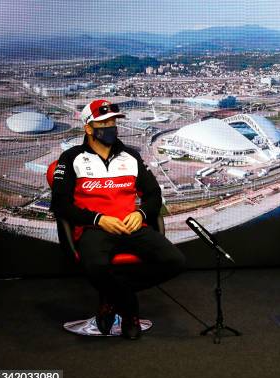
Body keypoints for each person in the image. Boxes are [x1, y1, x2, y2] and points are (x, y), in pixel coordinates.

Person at [51, 99, 186, 340]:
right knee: (95, 266)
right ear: (89, 128)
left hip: (131, 226)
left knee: (175, 261)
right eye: (103, 122)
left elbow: (154, 195)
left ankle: (112, 299)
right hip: (95, 228)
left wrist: (141, 214)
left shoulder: (131, 156)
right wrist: (98, 219)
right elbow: (60, 205)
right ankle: (130, 311)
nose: (111, 126)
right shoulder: (71, 158)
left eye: (113, 121)